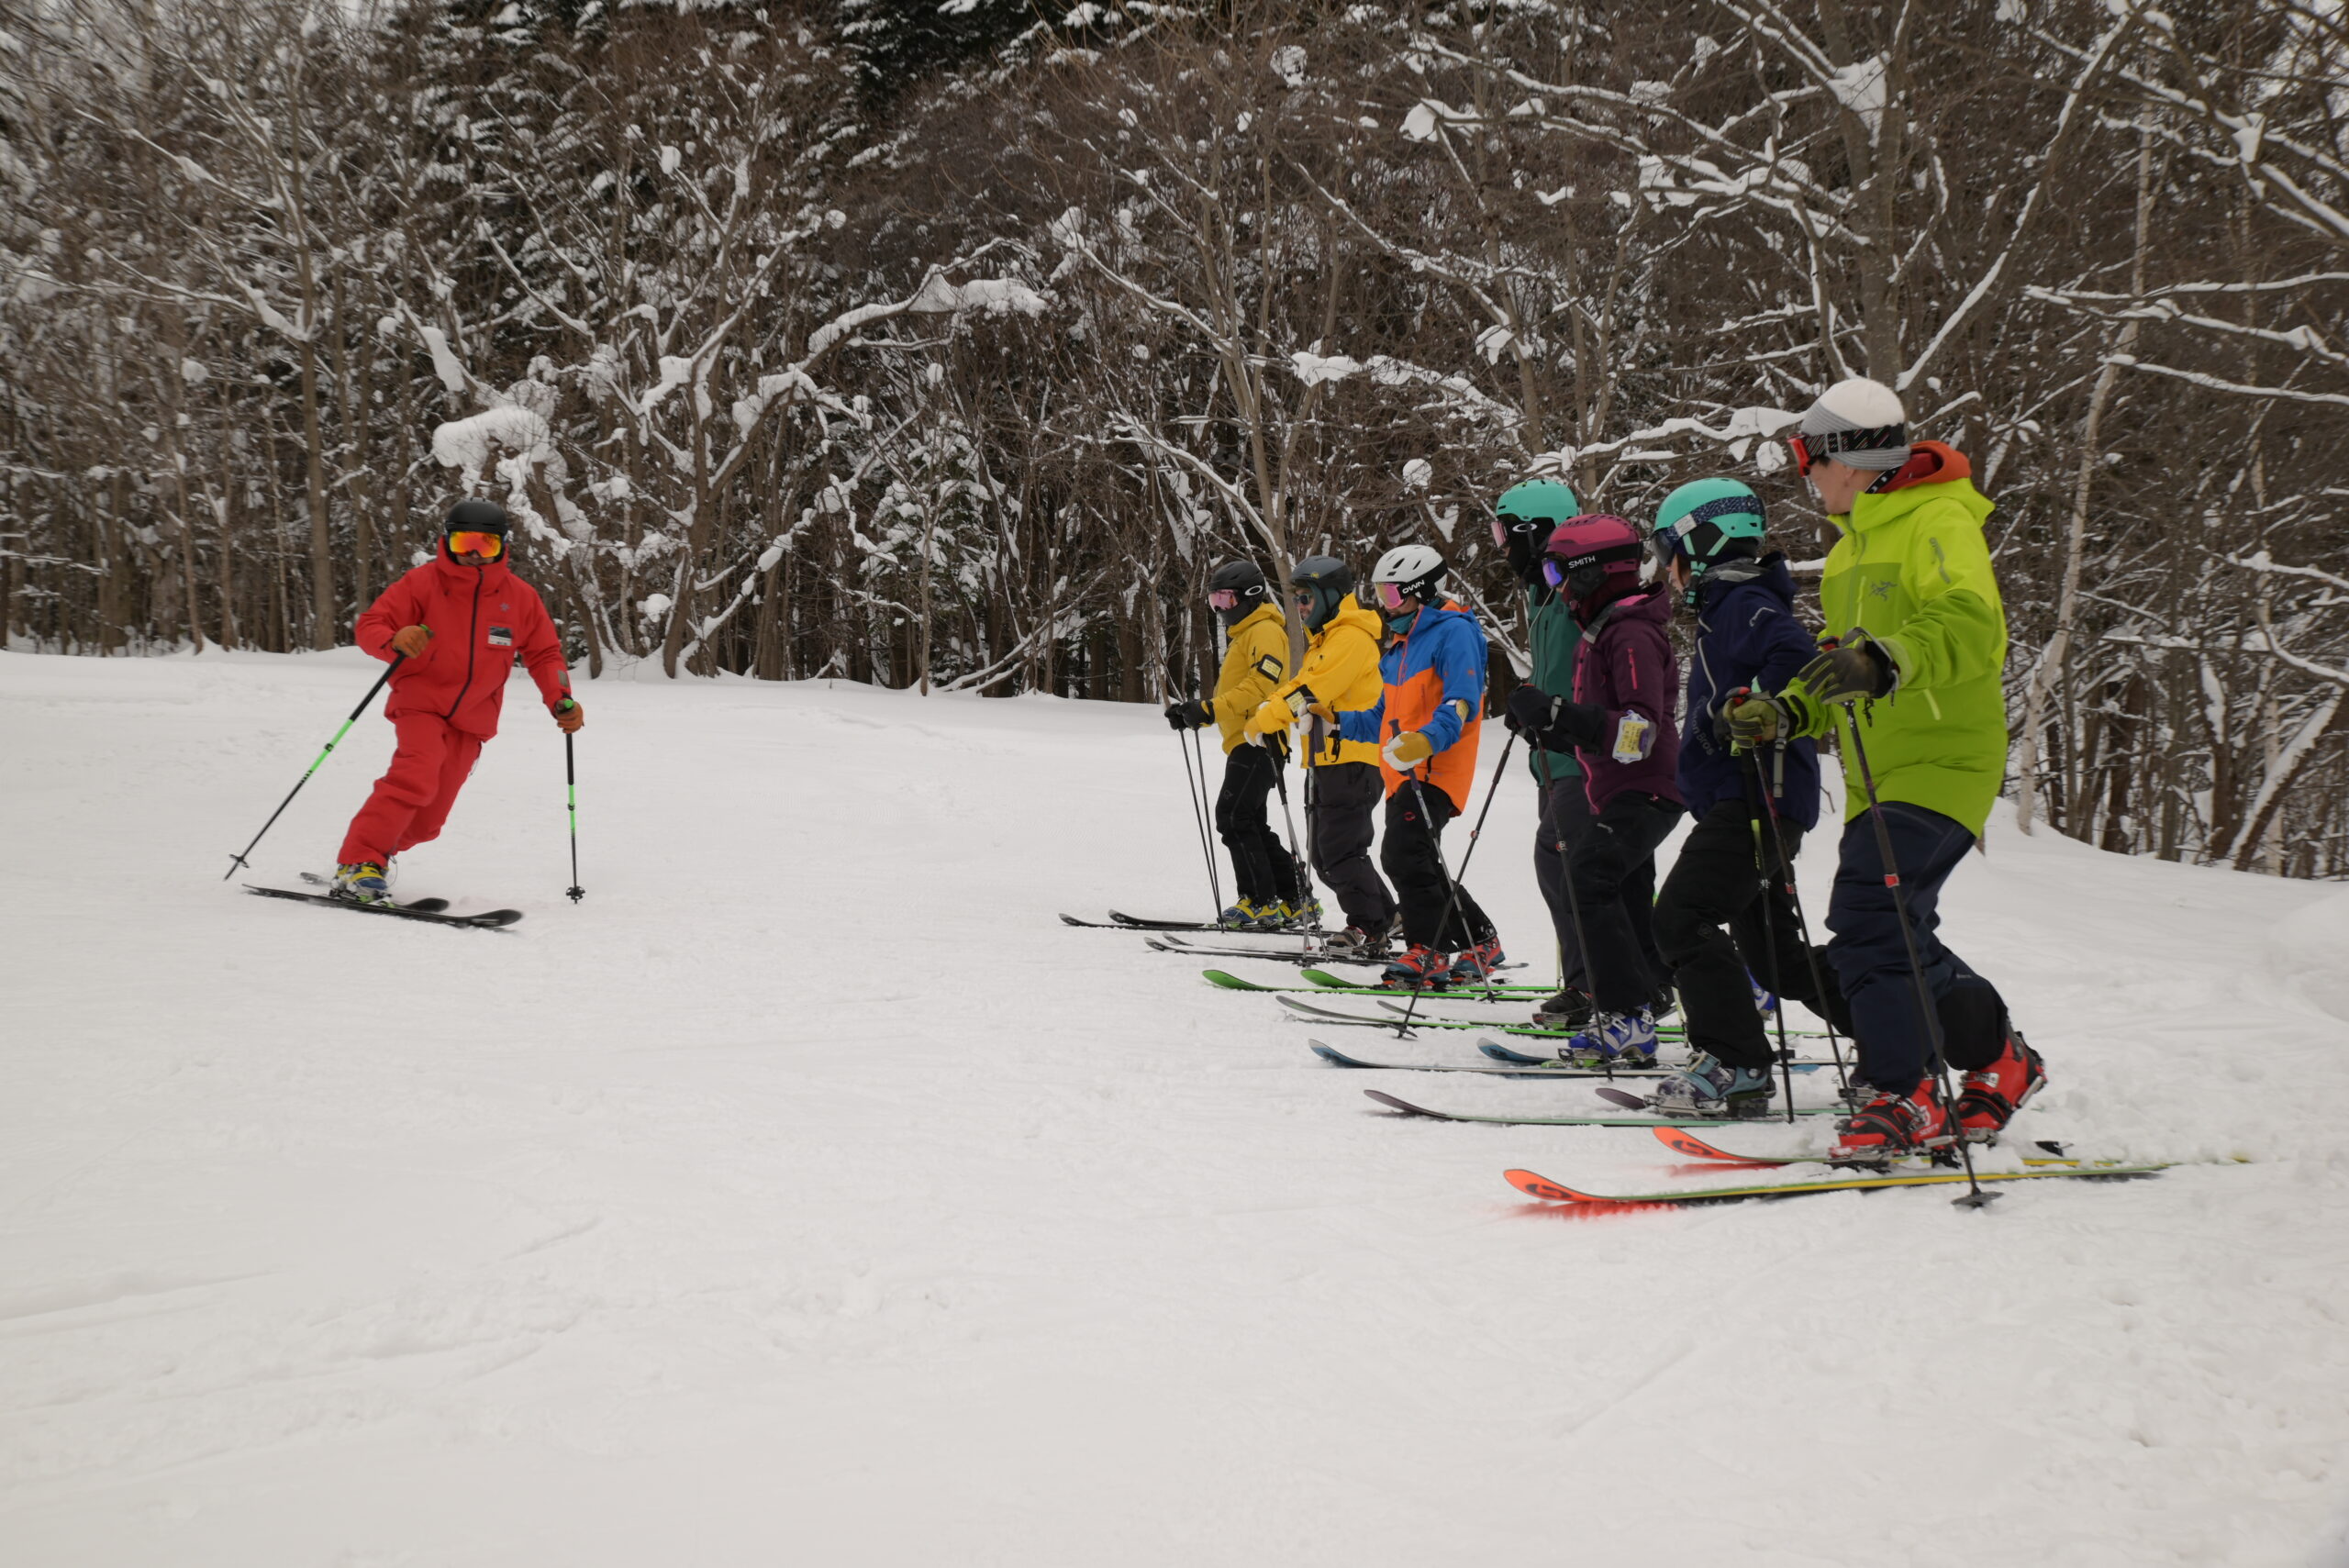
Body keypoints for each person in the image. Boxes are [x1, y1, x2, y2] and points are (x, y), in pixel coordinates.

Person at [1726, 377, 2046, 1156]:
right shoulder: (1850, 553)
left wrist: (1886, 659)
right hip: (1880, 772)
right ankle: (2002, 1057)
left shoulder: (1938, 518)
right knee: (1892, 930)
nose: (1806, 475)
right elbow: (1842, 668)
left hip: (1946, 759)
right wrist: (1787, 710)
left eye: (1808, 458)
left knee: (1870, 912)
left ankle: (1903, 1090)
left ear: (1846, 457)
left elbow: (1971, 623)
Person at [1645, 478, 1850, 1117]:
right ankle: (1892, 1027)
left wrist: (1763, 705)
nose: (1668, 570)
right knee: (1777, 958)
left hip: (1757, 797)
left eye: (1669, 553)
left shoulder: (1746, 603)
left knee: (1680, 917)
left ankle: (1736, 1062)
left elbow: (1796, 658)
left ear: (1703, 543)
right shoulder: (1726, 608)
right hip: (1748, 799)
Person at [333, 498, 583, 902]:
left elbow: (544, 653)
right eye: (464, 542)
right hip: (420, 702)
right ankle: (359, 860)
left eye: (485, 545)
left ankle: (377, 854)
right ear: (447, 541)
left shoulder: (519, 598)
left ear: (502, 546)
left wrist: (560, 698)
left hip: (473, 718)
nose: (473, 554)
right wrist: (394, 639)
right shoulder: (422, 583)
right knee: (416, 774)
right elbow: (371, 625)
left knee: (429, 822)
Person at [1505, 515, 1682, 1062]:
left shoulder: (1630, 633)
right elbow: (1600, 728)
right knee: (1626, 900)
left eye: (1558, 571)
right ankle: (1644, 1006)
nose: (1554, 585)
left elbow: (1638, 733)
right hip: (1617, 789)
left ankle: (1626, 1014)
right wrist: (1543, 723)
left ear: (1591, 571)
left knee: (1587, 877)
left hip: (1644, 789)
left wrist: (1558, 713)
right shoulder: (1603, 630)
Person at [1492, 477, 1650, 1031]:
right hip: (1555, 755)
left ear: (1535, 532)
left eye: (1505, 534)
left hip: (1588, 758)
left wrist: (1557, 712)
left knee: (1571, 869)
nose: (1502, 548)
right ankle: (1608, 981)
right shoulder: (1541, 595)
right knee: (1581, 873)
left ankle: (1601, 985)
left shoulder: (1578, 594)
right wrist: (1530, 704)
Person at [1337, 544, 1501, 988]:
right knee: (1418, 859)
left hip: (1436, 769)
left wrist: (1425, 740)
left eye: (1391, 594)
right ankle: (1481, 940)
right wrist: (1334, 721)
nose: (1385, 605)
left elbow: (1462, 702)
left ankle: (1428, 950)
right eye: (1380, 594)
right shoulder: (1399, 647)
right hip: (1401, 773)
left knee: (1403, 854)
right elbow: (1379, 718)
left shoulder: (1454, 632)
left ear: (1422, 591)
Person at [1246, 556, 1397, 954]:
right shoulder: (1326, 640)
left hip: (1351, 760)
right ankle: (1386, 915)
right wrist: (1267, 712)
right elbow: (1299, 683)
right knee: (1325, 854)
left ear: (1331, 596)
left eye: (1306, 598)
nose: (1300, 607)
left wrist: (1268, 718)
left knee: (1339, 851)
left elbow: (1311, 691)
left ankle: (1369, 926)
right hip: (1327, 760)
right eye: (1296, 599)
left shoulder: (1350, 639)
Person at [1164, 559, 1302, 929]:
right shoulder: (1248, 634)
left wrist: (1209, 710)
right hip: (1247, 741)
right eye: (1214, 601)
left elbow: (1260, 686)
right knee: (1250, 820)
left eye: (1225, 599)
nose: (1220, 609)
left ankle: (1259, 900)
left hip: (1260, 741)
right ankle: (1294, 899)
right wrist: (1194, 712)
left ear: (1251, 595)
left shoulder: (1265, 631)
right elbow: (1240, 690)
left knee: (1233, 817)